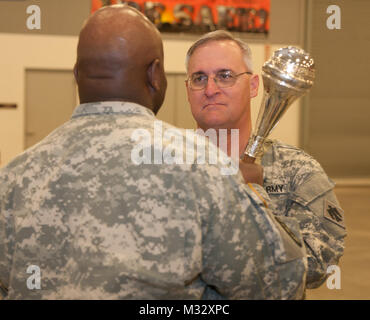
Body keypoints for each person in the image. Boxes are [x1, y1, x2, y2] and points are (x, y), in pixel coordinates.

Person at [0, 5, 307, 300]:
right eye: (200, 78)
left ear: (77, 73)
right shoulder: (200, 165)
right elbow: (279, 285)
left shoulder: (13, 177)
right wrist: (255, 192)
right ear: (155, 75)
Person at [185, 30, 346, 289]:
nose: (210, 89)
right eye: (199, 78)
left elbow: (318, 265)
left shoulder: (298, 170)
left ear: (253, 86)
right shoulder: (165, 163)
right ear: (187, 89)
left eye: (225, 76)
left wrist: (257, 196)